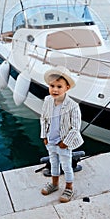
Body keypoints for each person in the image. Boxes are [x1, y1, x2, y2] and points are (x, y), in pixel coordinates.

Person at [40, 66, 84, 203]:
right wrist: (44, 136)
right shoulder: (47, 101)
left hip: (64, 143)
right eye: (52, 86)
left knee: (66, 165)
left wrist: (65, 142)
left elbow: (76, 127)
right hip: (51, 141)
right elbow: (43, 118)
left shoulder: (72, 106)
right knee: (53, 163)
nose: (55, 89)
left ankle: (69, 187)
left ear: (67, 87)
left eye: (59, 86)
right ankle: (54, 184)